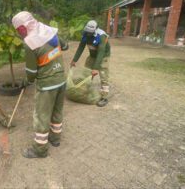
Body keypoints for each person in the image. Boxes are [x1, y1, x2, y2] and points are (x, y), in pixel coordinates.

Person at [12, 11, 68, 158]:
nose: (19, 33)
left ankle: (40, 150)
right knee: (57, 111)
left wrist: (26, 82)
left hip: (47, 85)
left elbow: (31, 72)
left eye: (18, 30)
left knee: (42, 116)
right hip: (61, 80)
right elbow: (65, 46)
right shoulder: (48, 30)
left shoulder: (30, 42)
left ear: (22, 28)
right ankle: (55, 139)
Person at [70, 20, 111, 107]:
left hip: (103, 56)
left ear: (95, 30)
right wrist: (74, 60)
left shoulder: (101, 36)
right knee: (86, 72)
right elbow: (81, 47)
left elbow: (101, 52)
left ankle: (104, 97)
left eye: (90, 32)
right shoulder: (85, 34)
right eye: (87, 32)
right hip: (92, 55)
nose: (88, 34)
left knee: (103, 76)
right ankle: (84, 90)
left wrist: (96, 68)